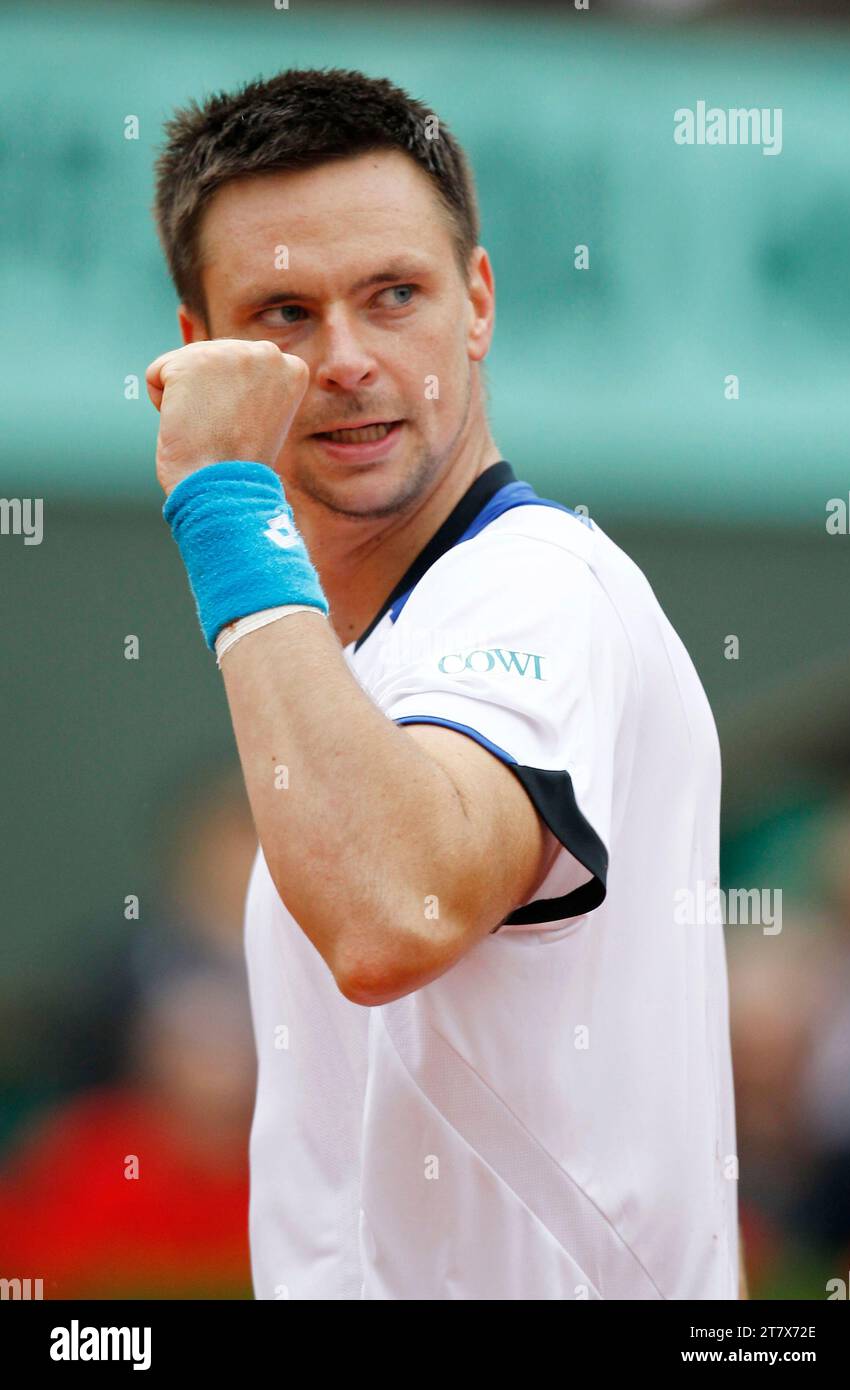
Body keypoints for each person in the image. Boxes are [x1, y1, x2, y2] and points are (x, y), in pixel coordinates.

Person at [148, 67, 739, 1300]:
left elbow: (392, 911)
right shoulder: (355, 657)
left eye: (393, 296)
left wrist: (221, 504)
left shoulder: (538, 585)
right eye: (286, 315)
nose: (348, 359)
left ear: (475, 302)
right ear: (204, 351)